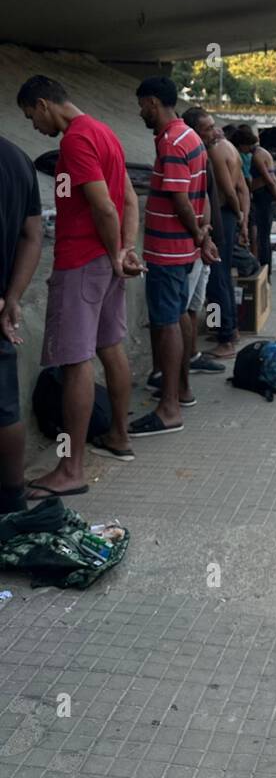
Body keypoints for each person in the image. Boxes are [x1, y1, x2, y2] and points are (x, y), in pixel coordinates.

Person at [17, 76, 142, 494]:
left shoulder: (75, 140)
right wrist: (124, 251)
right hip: (107, 263)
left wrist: (112, 252)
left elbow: (105, 206)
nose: (34, 126)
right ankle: (120, 436)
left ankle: (70, 471)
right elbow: (127, 200)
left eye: (30, 116)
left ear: (43, 104)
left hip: (82, 263)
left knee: (74, 362)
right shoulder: (104, 132)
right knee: (110, 348)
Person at [130, 77, 214, 437]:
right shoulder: (191, 137)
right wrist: (202, 236)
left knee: (166, 324)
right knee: (178, 317)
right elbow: (201, 194)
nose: (140, 112)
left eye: (141, 105)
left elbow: (181, 198)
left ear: (152, 102)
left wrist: (197, 234)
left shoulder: (171, 141)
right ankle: (181, 390)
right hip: (183, 249)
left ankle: (168, 409)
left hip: (168, 250)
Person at [182, 109, 249, 359]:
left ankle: (226, 337)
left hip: (223, 217)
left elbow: (230, 191)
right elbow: (242, 187)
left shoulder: (215, 151)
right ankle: (227, 330)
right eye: (208, 128)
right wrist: (241, 216)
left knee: (216, 280)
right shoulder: (228, 147)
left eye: (212, 127)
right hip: (228, 217)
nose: (214, 132)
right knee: (221, 279)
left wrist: (237, 215)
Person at [0, 137, 43, 514]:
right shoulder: (18, 157)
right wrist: (13, 295)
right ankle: (12, 499)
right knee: (5, 406)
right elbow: (33, 235)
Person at [230, 125, 276, 278]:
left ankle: (265, 271)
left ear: (243, 144)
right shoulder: (261, 152)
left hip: (264, 198)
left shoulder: (257, 156)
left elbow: (269, 180)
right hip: (265, 197)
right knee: (261, 236)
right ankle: (264, 270)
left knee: (263, 238)